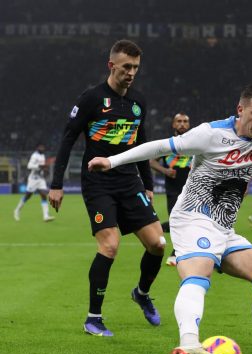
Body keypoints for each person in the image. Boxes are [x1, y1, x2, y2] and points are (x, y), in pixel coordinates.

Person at [88, 72, 252, 354]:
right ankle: (189, 342)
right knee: (199, 274)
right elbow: (159, 147)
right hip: (193, 219)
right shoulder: (210, 134)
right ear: (240, 110)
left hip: (223, 227)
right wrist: (112, 160)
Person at [48, 39, 165, 337]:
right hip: (98, 183)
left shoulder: (138, 102)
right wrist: (57, 184)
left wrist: (148, 184)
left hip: (130, 182)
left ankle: (141, 293)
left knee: (158, 244)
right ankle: (93, 318)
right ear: (111, 66)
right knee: (110, 246)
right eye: (126, 67)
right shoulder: (91, 99)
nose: (131, 72)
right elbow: (67, 139)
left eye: (136, 67)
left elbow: (141, 144)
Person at [150, 113, 192, 266]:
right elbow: (152, 162)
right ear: (173, 125)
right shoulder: (168, 144)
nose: (182, 124)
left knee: (189, 220)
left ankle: (158, 229)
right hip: (173, 189)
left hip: (192, 190)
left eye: (185, 122)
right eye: (179, 121)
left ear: (189, 125)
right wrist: (165, 171)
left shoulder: (195, 144)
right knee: (177, 220)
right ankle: (176, 252)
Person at [13, 144, 56, 222]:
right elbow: (29, 166)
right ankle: (17, 210)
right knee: (27, 196)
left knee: (43, 195)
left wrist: (45, 170)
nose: (42, 148)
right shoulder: (34, 155)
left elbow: (42, 167)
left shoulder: (42, 155)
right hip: (33, 179)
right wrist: (40, 166)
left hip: (40, 179)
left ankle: (46, 216)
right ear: (37, 148)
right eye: (41, 147)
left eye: (43, 147)